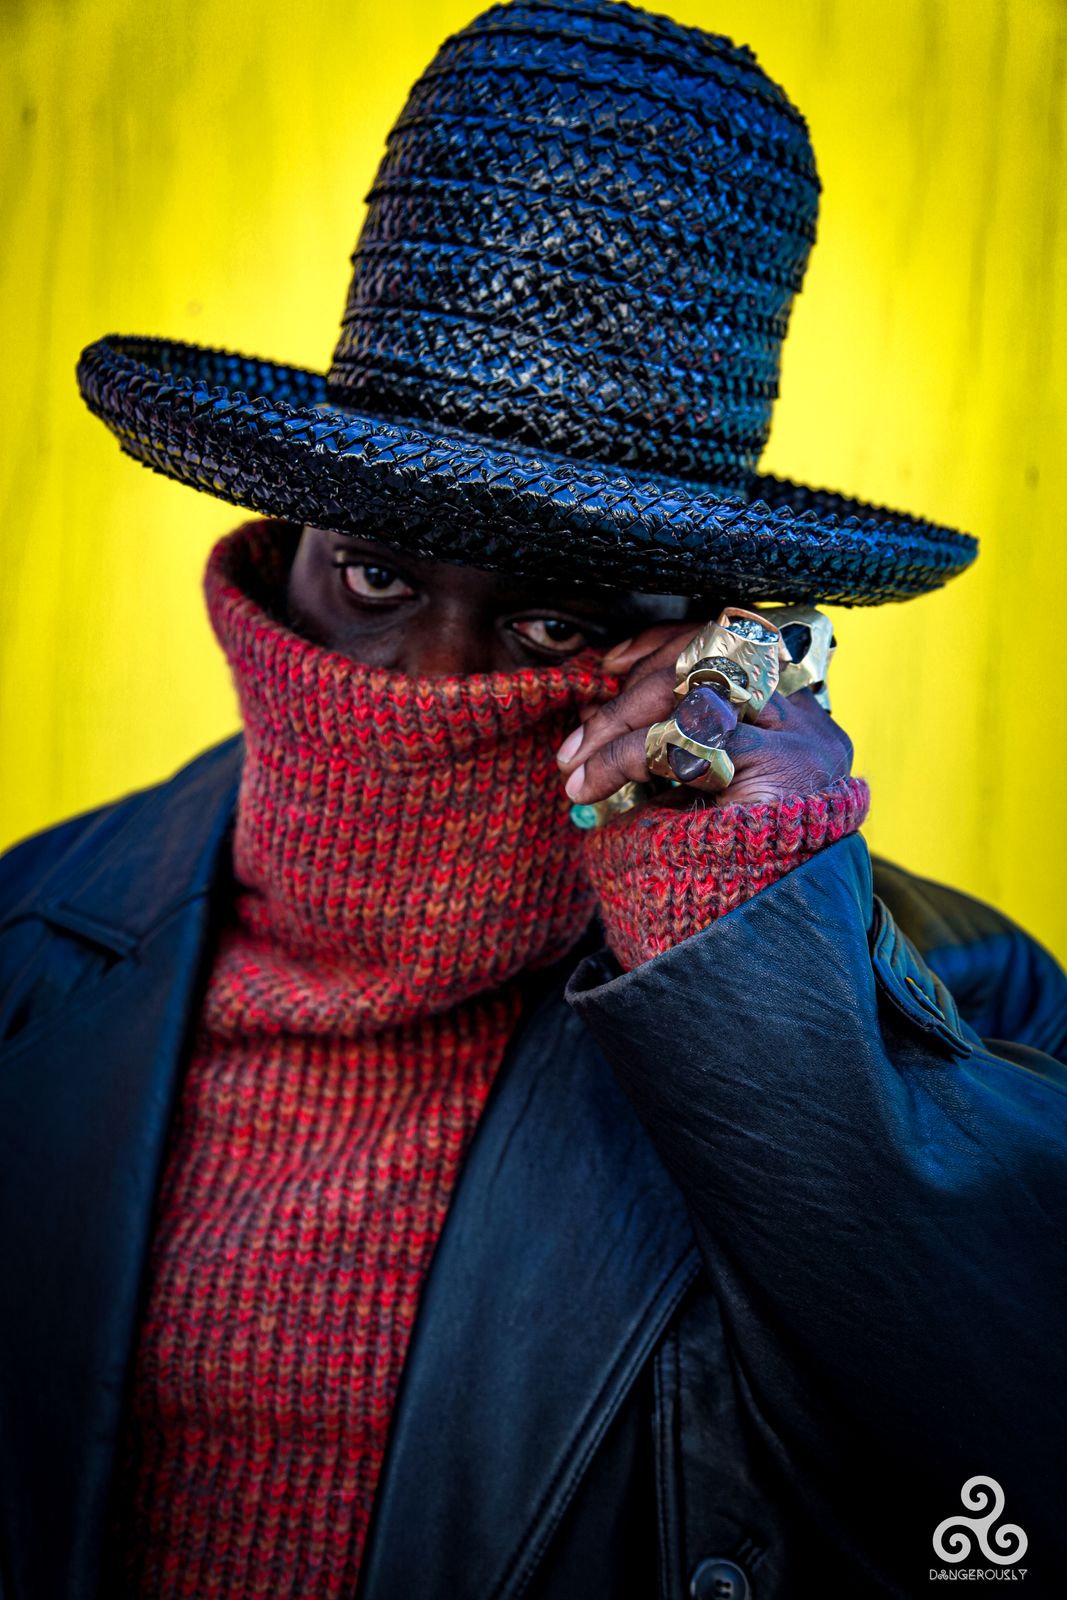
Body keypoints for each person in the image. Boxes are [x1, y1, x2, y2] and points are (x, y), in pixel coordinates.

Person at [1, 1, 1065, 1597]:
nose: (433, 684)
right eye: (376, 576)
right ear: (287, 549)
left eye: (557, 625)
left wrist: (755, 957)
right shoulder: (30, 943)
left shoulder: (973, 1011)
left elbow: (999, 1518)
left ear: (713, 639)